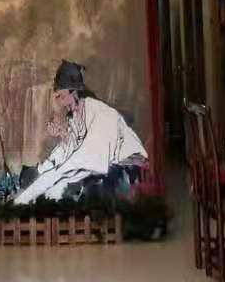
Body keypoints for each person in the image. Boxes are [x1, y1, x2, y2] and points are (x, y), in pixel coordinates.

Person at [13, 60, 148, 205]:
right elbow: (67, 151)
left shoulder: (100, 113)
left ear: (74, 91)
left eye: (61, 96)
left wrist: (31, 192)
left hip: (128, 172)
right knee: (55, 187)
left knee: (61, 188)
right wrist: (41, 169)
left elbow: (84, 158)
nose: (58, 101)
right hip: (102, 169)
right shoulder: (76, 116)